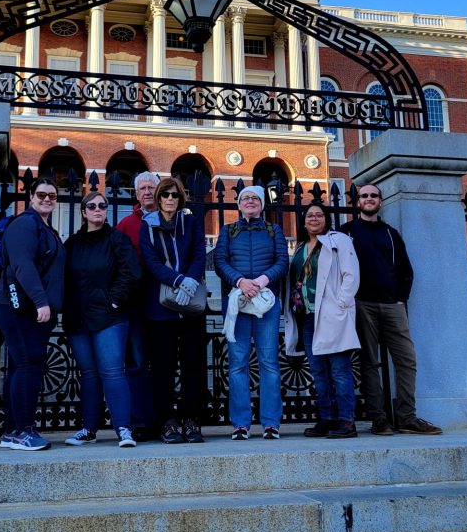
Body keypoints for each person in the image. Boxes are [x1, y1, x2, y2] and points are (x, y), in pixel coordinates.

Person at [342, 184, 442, 435]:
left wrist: (400, 299)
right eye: (364, 196)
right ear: (357, 202)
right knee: (369, 362)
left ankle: (407, 417)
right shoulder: (346, 232)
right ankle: (379, 418)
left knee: (407, 360)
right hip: (362, 304)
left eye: (373, 196)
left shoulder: (390, 233)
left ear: (380, 201)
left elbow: (405, 270)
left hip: (392, 305)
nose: (368, 199)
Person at [62, 191, 141, 447]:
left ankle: (123, 429)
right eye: (92, 206)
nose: (98, 209)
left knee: (113, 372)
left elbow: (131, 273)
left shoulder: (116, 239)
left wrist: (113, 299)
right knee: (89, 374)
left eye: (102, 206)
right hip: (78, 318)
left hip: (109, 317)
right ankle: (88, 429)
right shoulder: (72, 244)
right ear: (83, 212)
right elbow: (62, 278)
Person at [0, 177, 66, 451]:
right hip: (20, 307)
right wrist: (41, 302)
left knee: (21, 365)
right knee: (28, 364)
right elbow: (22, 266)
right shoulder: (24, 224)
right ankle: (22, 430)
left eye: (52, 195)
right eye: (42, 194)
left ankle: (12, 431)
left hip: (32, 308)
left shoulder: (46, 228)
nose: (47, 199)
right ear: (31, 196)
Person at [214, 185, 288, 440]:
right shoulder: (228, 230)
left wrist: (262, 281)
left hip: (266, 302)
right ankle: (241, 423)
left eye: (255, 198)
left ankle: (271, 423)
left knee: (269, 362)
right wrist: (240, 282)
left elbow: (282, 260)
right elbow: (220, 261)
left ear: (261, 204)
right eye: (245, 198)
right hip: (237, 302)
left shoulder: (273, 229)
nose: (250, 201)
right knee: (237, 364)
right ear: (239, 204)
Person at [139, 177, 206, 444]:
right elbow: (151, 260)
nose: (169, 199)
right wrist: (178, 280)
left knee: (193, 365)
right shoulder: (148, 226)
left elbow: (199, 254)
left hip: (191, 307)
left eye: (174, 195)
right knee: (163, 367)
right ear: (158, 197)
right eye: (165, 194)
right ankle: (166, 421)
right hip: (161, 306)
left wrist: (190, 279)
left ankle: (191, 419)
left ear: (181, 199)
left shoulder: (190, 223)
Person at [285, 203, 360, 438]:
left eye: (319, 215)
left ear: (326, 220)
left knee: (339, 369)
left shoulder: (338, 241)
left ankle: (347, 420)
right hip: (306, 317)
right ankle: (327, 418)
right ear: (304, 222)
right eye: (310, 216)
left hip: (331, 314)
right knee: (318, 370)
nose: (314, 219)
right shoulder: (299, 249)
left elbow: (351, 274)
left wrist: (341, 304)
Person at [117, 171, 160, 439]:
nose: (147, 192)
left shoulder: (172, 218)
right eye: (142, 188)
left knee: (163, 362)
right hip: (135, 302)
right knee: (136, 363)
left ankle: (163, 419)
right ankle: (141, 422)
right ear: (136, 194)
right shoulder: (125, 224)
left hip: (164, 299)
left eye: (151, 187)